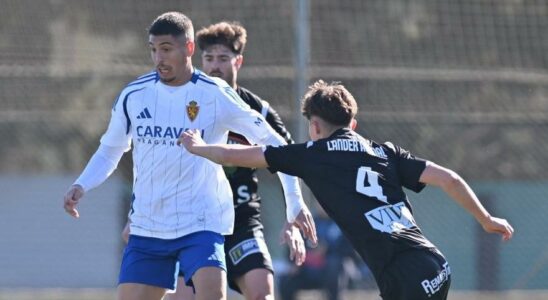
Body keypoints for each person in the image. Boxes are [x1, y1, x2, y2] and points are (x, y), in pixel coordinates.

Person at [178, 80, 515, 300]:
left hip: (403, 278)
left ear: (314, 125)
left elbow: (243, 155)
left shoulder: (312, 154)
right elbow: (450, 179)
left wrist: (199, 147)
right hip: (435, 266)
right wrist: (485, 219)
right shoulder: (385, 151)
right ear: (352, 123)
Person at [63, 12, 317, 300]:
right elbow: (110, 150)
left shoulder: (215, 94)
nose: (159, 58)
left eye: (167, 49)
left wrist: (295, 205)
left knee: (217, 294)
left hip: (200, 222)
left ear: (189, 49)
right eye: (153, 50)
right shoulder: (134, 95)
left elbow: (276, 145)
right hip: (148, 226)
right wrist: (82, 184)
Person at [279, 204, 358, 300]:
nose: (321, 205)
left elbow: (351, 252)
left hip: (337, 270)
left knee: (335, 265)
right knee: (286, 279)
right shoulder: (308, 221)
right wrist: (294, 263)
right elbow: (295, 246)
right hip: (310, 269)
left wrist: (327, 250)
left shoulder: (342, 223)